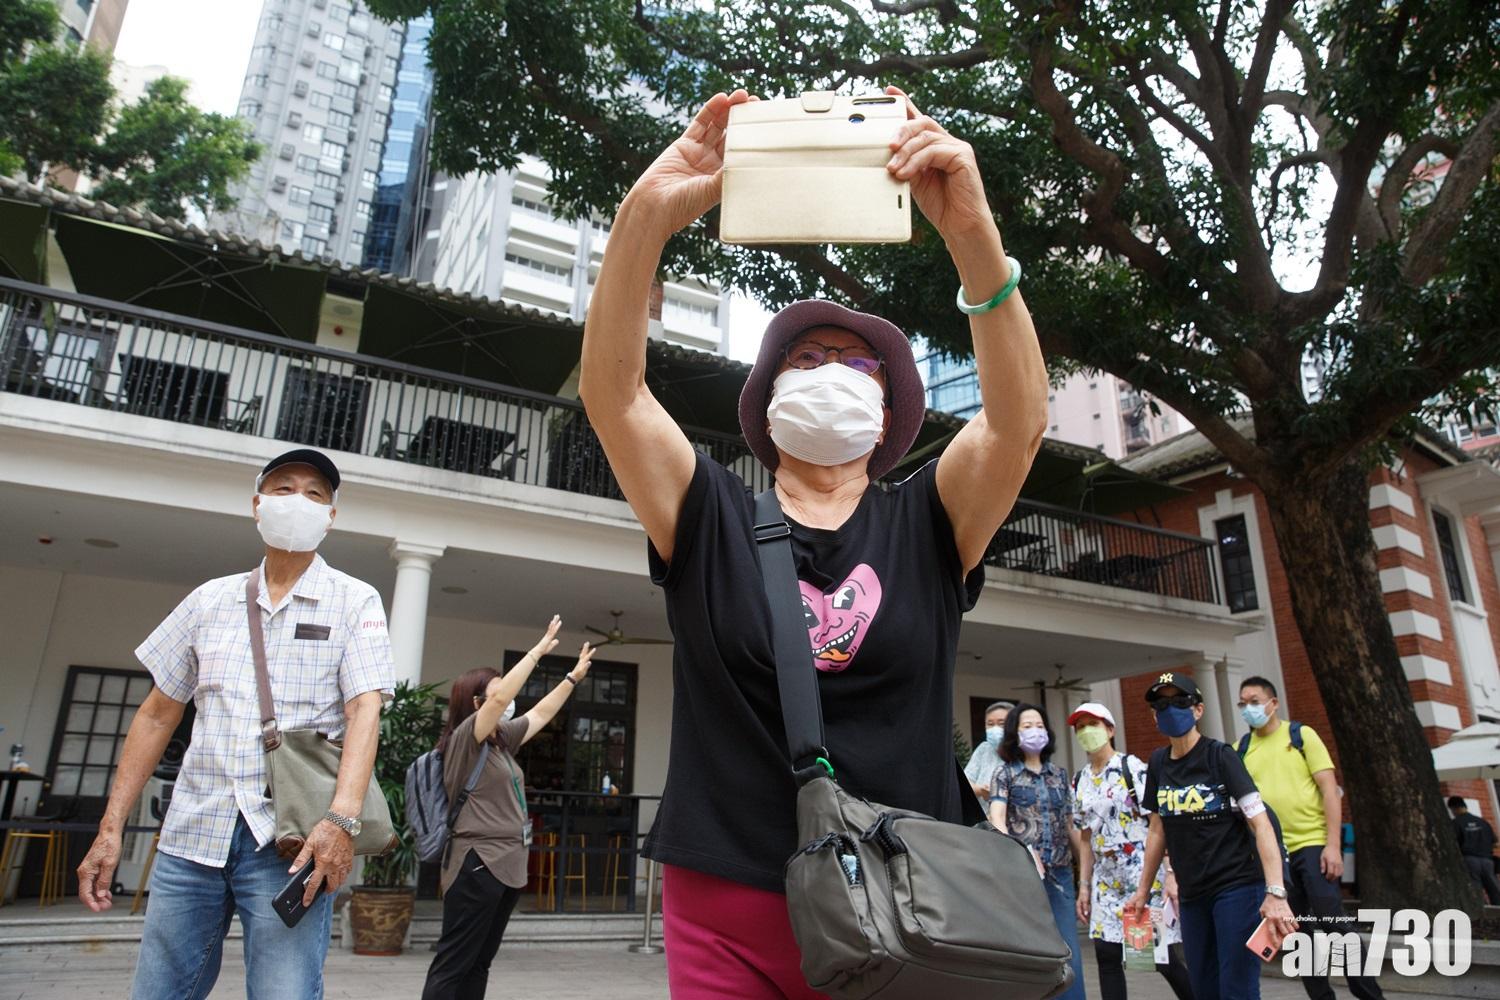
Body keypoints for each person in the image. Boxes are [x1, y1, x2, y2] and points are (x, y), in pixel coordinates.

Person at [578, 87, 1048, 998]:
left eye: (855, 363)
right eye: (803, 360)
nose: (828, 372)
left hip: (914, 916)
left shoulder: (928, 520)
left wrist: (970, 231)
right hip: (724, 906)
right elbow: (615, 395)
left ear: (885, 416)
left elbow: (1018, 422)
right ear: (765, 405)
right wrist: (648, 213)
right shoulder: (706, 511)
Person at [75, 449, 394, 1000]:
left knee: (284, 993)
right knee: (158, 991)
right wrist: (110, 827)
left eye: (316, 494)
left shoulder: (355, 600)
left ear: (332, 516)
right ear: (257, 505)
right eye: (284, 488)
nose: (299, 502)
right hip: (190, 836)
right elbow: (157, 713)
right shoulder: (209, 600)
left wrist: (340, 823)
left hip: (292, 843)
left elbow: (365, 709)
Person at [421, 618, 596, 1000]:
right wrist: (538, 651)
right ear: (476, 702)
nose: (508, 698)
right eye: (500, 691)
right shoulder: (467, 737)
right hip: (477, 863)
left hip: (507, 864)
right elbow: (500, 702)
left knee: (480, 961)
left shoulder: (499, 740)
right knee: (454, 962)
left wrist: (572, 678)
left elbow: (541, 715)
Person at [1125, 673, 1297, 1000]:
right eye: (1161, 704)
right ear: (1153, 715)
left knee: (1237, 989)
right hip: (1191, 894)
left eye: (1180, 702)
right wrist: (1142, 891)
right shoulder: (1159, 763)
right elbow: (1158, 830)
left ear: (1198, 710)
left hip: (1236, 886)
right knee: (1203, 988)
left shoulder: (1220, 757)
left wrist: (1276, 892)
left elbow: (1260, 824)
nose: (1170, 709)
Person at [1237, 677, 1383, 1000]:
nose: (1249, 708)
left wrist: (1334, 846)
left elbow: (1330, 791)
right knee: (1297, 934)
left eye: (1255, 701)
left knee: (1334, 923)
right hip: (1277, 857)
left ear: (1273, 703)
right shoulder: (1241, 750)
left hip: (1312, 845)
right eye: (1243, 703)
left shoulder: (1300, 736)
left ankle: (1371, 995)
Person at [1068, 703, 1194, 1000]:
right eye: (1080, 726)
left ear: (1110, 730)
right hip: (1104, 882)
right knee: (1106, 954)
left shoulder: (1133, 768)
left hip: (1141, 877)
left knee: (1158, 957)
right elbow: (1085, 837)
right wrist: (1083, 886)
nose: (1087, 731)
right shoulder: (1080, 780)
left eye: (1093, 724)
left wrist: (1170, 873)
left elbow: (1158, 824)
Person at [988, 704, 1087, 1000]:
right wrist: (1018, 856)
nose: (1034, 731)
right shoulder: (1004, 774)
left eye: (1039, 725)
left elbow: (1071, 826)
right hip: (1024, 879)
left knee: (1070, 953)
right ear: (1015, 734)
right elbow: (997, 819)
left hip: (1061, 876)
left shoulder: (1059, 775)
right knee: (1031, 955)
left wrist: (1087, 877)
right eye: (1027, 726)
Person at [1449, 795, 1500, 904]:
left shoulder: (1455, 823)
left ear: (1453, 809)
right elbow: (1496, 844)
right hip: (1488, 861)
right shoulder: (1483, 822)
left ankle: (1483, 915)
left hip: (1469, 861)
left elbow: (1452, 844)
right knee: (1495, 890)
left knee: (1476, 892)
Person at [964, 700, 1013, 802]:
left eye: (1001, 723)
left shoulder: (1024, 752)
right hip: (981, 816)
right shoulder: (984, 749)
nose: (995, 728)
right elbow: (964, 783)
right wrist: (981, 790)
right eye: (990, 724)